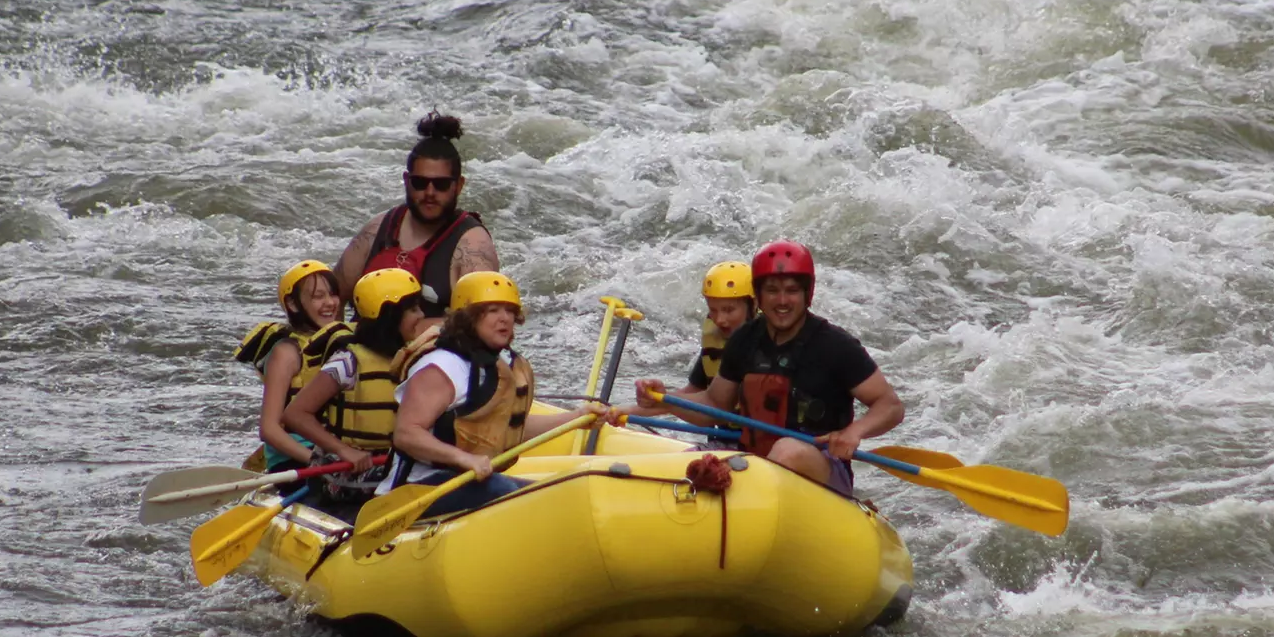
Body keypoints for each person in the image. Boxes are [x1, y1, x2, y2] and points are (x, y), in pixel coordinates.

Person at [635, 240, 903, 496]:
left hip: (818, 467)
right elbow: (714, 404)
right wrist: (665, 399)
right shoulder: (745, 339)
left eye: (791, 290)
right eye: (772, 290)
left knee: (787, 450)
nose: (782, 301)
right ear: (759, 296)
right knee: (684, 465)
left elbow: (890, 406)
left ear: (806, 294)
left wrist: (853, 432)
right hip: (752, 459)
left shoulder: (835, 345)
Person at [375, 271, 607, 518]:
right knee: (504, 490)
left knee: (553, 496)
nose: (504, 319)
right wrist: (464, 459)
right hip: (415, 489)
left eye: (509, 311)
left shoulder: (498, 363)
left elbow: (508, 426)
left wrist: (578, 417)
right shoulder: (441, 366)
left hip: (466, 482)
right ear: (468, 317)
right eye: (493, 310)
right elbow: (407, 434)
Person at [280, 268, 436, 511]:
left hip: (393, 471)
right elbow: (295, 414)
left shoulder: (415, 358)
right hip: (346, 480)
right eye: (413, 309)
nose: (421, 315)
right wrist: (344, 451)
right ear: (390, 315)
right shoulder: (347, 361)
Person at [334, 110, 498, 318]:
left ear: (459, 186)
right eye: (420, 183)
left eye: (441, 184)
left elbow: (480, 327)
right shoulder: (377, 230)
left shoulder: (472, 246)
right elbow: (332, 300)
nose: (429, 193)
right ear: (406, 180)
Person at [232, 260, 348, 472]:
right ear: (293, 305)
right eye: (318, 297)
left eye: (333, 294)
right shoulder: (286, 353)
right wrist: (314, 460)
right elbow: (269, 429)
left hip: (335, 453)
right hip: (296, 461)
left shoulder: (343, 342)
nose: (330, 303)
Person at [629, 260, 757, 417]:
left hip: (759, 438)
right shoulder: (714, 343)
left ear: (754, 305)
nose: (719, 320)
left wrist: (666, 400)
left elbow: (711, 405)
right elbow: (692, 397)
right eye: (713, 310)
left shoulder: (770, 346)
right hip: (722, 438)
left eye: (729, 310)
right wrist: (616, 412)